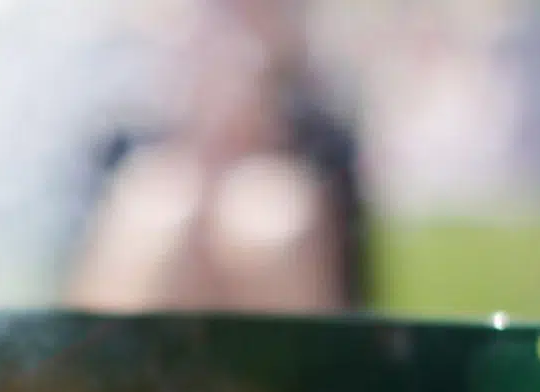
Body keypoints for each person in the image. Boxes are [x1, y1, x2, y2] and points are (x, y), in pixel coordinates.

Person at [66, 0, 367, 314]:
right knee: (160, 212)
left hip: (287, 331)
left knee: (268, 219)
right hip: (138, 342)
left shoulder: (321, 141)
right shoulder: (121, 139)